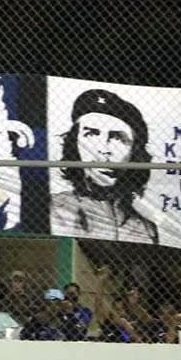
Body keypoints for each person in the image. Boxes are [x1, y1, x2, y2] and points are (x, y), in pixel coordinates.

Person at [49, 89, 160, 245]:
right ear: (74, 143)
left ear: (135, 151)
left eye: (117, 137)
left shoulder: (145, 229)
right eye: (92, 134)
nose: (104, 149)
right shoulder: (51, 210)